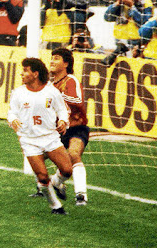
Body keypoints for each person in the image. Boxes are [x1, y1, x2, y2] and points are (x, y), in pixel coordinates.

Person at [8, 58, 72, 214]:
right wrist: (13, 119)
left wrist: (63, 120)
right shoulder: (18, 93)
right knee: (42, 176)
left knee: (67, 170)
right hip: (29, 140)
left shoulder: (51, 92)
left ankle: (56, 183)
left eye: (25, 71)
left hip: (50, 137)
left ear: (35, 74)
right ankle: (55, 206)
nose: (21, 74)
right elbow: (11, 112)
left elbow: (62, 110)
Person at [50, 48, 90, 206]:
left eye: (57, 58)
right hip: (58, 131)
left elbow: (78, 100)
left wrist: (58, 95)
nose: (52, 61)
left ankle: (81, 195)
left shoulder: (70, 80)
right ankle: (54, 183)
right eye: (51, 58)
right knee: (37, 156)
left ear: (66, 63)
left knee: (73, 154)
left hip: (76, 128)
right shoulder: (50, 86)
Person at [102, 0, 153, 65]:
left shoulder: (145, 3)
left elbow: (144, 21)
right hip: (119, 41)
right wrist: (117, 3)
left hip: (136, 43)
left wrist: (132, 6)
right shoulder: (122, 2)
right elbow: (107, 17)